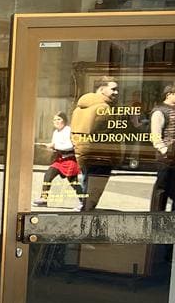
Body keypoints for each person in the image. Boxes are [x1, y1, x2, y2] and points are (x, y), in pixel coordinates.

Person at [71, 77, 120, 211]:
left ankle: (84, 206)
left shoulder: (80, 107)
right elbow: (105, 134)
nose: (116, 92)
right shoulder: (103, 108)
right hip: (99, 152)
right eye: (113, 89)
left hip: (83, 150)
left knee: (87, 180)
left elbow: (74, 130)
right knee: (95, 186)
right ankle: (87, 210)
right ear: (102, 89)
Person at [35, 111, 86, 208]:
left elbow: (70, 146)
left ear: (64, 121)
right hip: (59, 160)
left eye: (59, 119)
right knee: (48, 175)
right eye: (54, 120)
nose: (56, 121)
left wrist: (55, 146)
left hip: (70, 159)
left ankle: (84, 202)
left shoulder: (69, 131)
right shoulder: (55, 132)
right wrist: (48, 146)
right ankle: (43, 199)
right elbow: (54, 145)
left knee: (73, 182)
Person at [149, 84, 175, 211]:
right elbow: (156, 135)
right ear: (169, 95)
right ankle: (157, 214)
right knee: (162, 187)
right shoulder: (159, 111)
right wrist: (164, 150)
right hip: (165, 156)